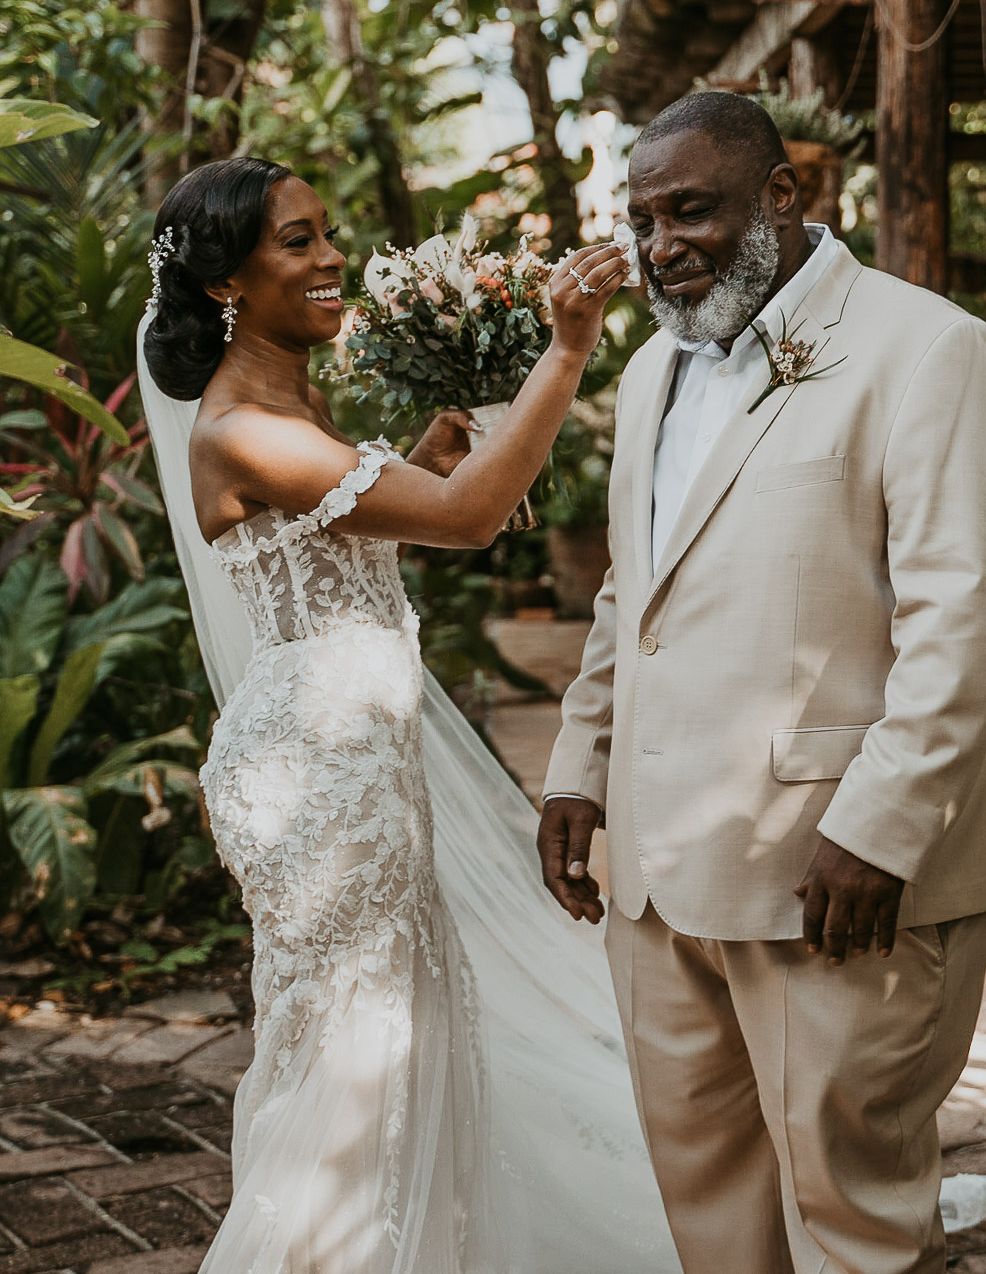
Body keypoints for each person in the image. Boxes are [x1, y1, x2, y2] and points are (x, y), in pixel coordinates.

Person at [137, 156, 682, 1274]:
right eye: (298, 242)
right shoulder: (239, 423)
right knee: (359, 1033)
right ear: (228, 282)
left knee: (395, 1015)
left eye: (326, 233)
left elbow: (338, 548)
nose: (333, 257)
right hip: (319, 772)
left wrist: (412, 474)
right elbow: (473, 518)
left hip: (355, 750)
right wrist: (567, 346)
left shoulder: (294, 395)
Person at [538, 90, 986, 1274]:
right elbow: (634, 592)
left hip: (841, 881)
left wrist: (878, 828)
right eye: (645, 217)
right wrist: (581, 767)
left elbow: (969, 617)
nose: (663, 245)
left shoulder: (932, 349)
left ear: (782, 196)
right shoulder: (657, 375)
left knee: (853, 1222)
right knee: (713, 1211)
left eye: (691, 210)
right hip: (663, 885)